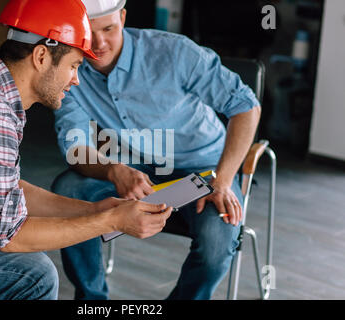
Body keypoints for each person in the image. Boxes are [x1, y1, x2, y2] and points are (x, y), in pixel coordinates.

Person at [0, 0, 172, 300]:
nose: (76, 80)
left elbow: (8, 192)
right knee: (34, 276)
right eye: (73, 66)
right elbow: (10, 236)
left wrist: (94, 209)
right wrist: (112, 221)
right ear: (41, 56)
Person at [51, 0, 262, 300]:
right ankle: (92, 301)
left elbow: (246, 105)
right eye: (89, 31)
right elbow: (75, 148)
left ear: (123, 17)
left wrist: (224, 180)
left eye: (109, 29)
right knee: (68, 190)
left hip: (203, 170)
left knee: (217, 241)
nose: (98, 43)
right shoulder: (70, 69)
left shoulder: (174, 51)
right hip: (131, 166)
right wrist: (114, 169)